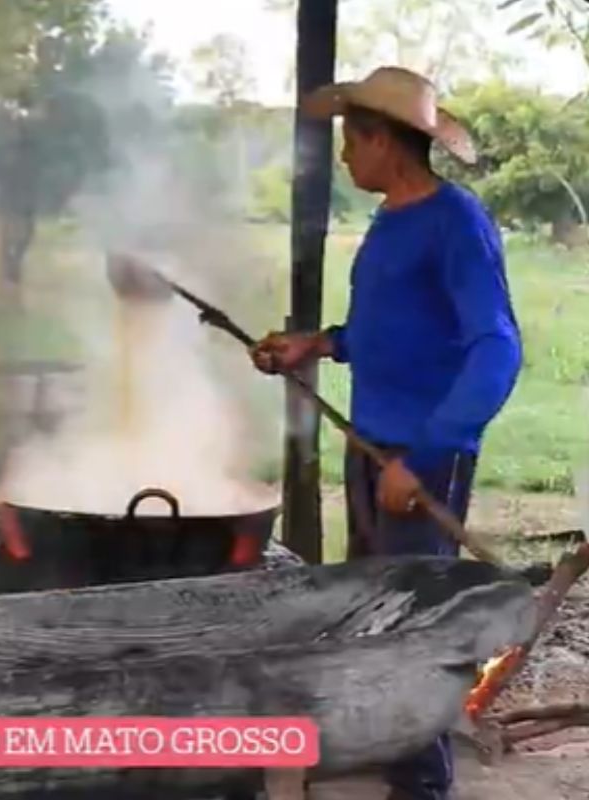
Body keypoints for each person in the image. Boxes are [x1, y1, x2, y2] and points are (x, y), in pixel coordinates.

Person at [250, 67, 523, 800]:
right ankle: (388, 752)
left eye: (350, 142)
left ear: (384, 144)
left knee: (415, 631)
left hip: (419, 461)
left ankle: (423, 784)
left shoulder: (454, 223)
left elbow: (497, 348)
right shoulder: (392, 221)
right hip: (373, 450)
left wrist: (428, 453)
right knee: (372, 609)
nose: (343, 158)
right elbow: (388, 330)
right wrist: (319, 343)